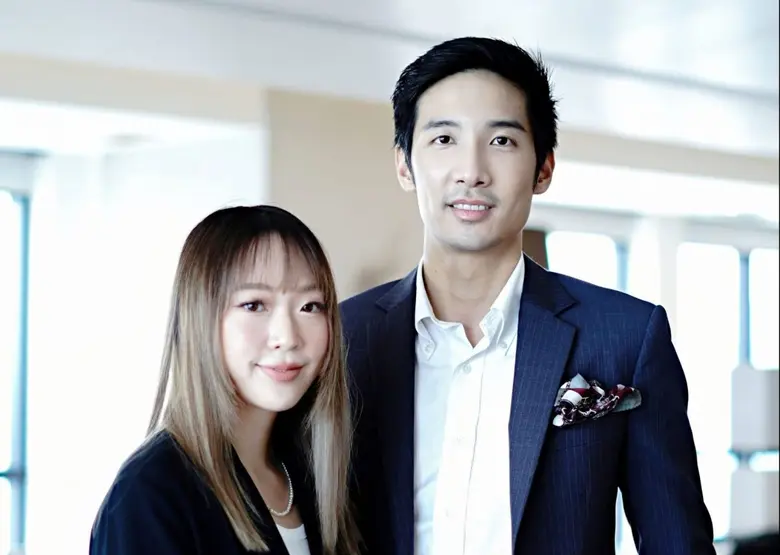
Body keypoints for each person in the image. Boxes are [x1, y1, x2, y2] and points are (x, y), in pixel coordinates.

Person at [340, 37, 715, 555]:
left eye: (501, 141)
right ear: (405, 165)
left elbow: (677, 542)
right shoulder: (343, 337)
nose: (472, 171)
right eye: (444, 139)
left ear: (544, 168)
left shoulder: (626, 337)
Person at [90, 205, 360, 555]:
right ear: (201, 318)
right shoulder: (150, 495)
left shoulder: (312, 474)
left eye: (309, 306)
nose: (287, 337)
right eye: (254, 305)